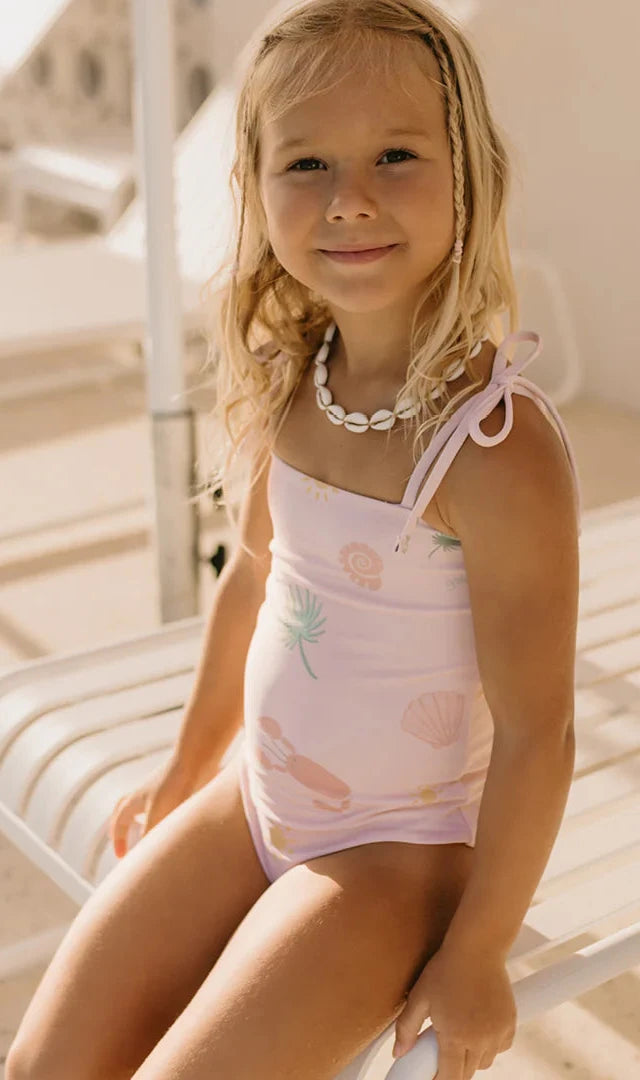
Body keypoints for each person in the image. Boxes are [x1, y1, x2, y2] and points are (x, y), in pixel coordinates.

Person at [7, 2, 581, 1079]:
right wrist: (186, 768)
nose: (349, 198)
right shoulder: (294, 381)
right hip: (255, 800)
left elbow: (536, 733)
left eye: (395, 155)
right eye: (305, 162)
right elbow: (257, 580)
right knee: (42, 1062)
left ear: (470, 173)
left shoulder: (493, 449)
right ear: (256, 187)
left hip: (387, 866)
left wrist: (479, 950)